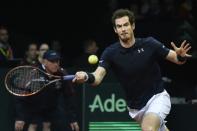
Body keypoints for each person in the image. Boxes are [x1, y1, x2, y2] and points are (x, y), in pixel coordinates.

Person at [73, 9, 192, 131]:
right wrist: (86, 76)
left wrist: (181, 56)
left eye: (126, 25)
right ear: (115, 30)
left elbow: (177, 59)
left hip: (157, 98)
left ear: (133, 26)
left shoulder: (149, 44)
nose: (123, 29)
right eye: (119, 26)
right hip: (136, 109)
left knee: (149, 129)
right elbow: (97, 78)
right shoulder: (110, 53)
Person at [14, 50, 79, 131]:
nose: (55, 64)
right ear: (44, 62)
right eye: (52, 61)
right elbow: (21, 97)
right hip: (32, 107)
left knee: (57, 126)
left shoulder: (61, 73)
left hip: (51, 108)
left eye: (57, 61)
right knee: (32, 126)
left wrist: (72, 119)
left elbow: (69, 96)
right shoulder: (33, 73)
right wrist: (20, 117)